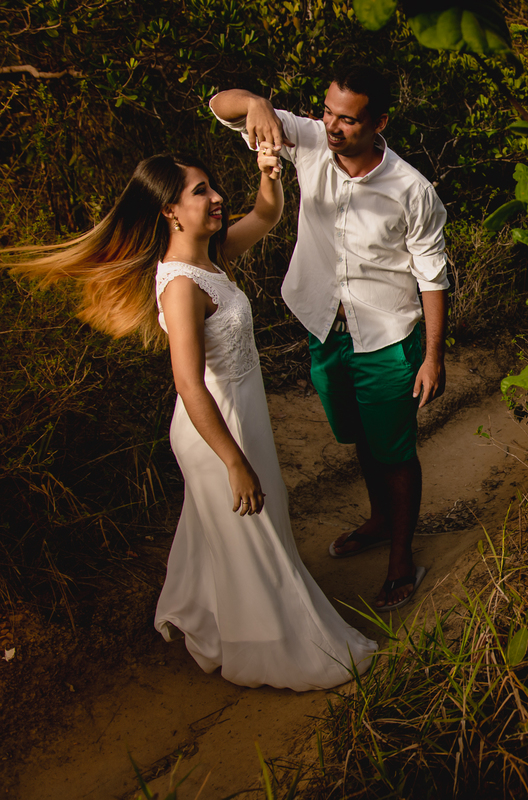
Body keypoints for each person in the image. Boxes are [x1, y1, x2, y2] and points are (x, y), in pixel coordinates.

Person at [2, 149, 376, 691]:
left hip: (242, 415)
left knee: (245, 532)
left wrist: (268, 173)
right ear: (169, 210)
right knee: (255, 539)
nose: (217, 197)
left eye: (212, 186)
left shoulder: (210, 257)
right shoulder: (181, 286)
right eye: (201, 191)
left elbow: (267, 214)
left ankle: (215, 620)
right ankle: (276, 650)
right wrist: (234, 463)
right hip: (217, 431)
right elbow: (188, 383)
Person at [208, 64, 449, 612]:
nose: (332, 127)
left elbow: (432, 277)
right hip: (325, 328)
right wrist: (257, 104)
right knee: (358, 434)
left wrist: (433, 356)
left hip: (387, 337)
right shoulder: (311, 140)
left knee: (395, 450)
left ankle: (401, 558)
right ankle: (379, 520)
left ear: (378, 122)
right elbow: (221, 105)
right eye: (326, 112)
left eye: (348, 119)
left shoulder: (411, 190)